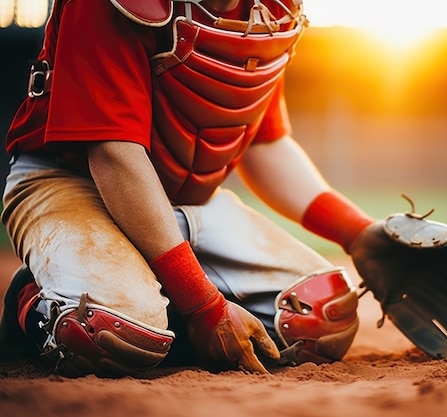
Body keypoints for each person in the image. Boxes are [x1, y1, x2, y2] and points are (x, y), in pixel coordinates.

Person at [0, 0, 376, 376]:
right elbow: (113, 155)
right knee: (114, 332)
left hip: (183, 204)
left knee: (320, 317)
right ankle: (32, 300)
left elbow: (264, 143)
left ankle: (159, 293)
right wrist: (204, 307)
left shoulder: (268, 7)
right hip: (68, 179)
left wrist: (356, 232)